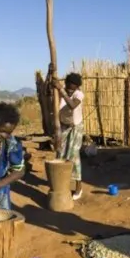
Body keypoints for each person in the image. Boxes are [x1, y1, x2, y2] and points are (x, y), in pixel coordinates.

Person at [54, 72, 85, 200]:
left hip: (76, 128)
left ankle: (79, 187)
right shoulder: (63, 93)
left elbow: (72, 105)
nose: (70, 89)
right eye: (68, 86)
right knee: (60, 153)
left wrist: (61, 90)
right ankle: (62, 182)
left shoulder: (79, 94)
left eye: (72, 87)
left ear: (77, 86)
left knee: (74, 155)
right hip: (64, 127)